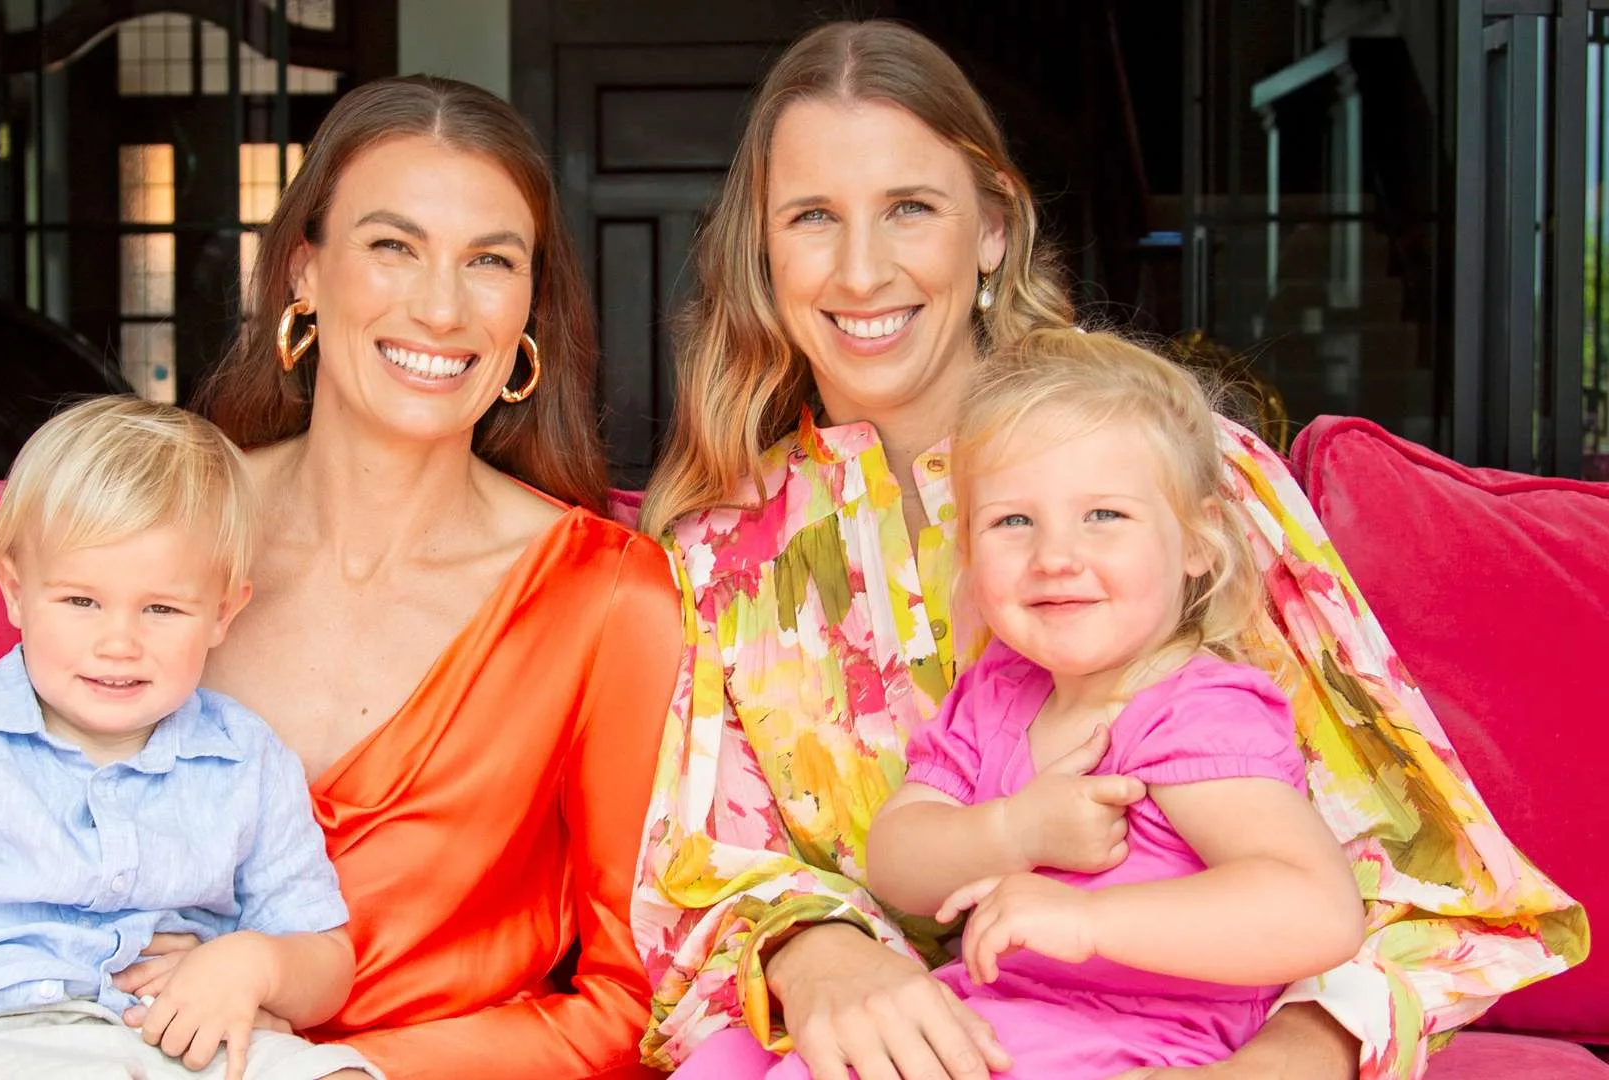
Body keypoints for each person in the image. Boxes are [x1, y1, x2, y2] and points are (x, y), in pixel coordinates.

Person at [633, 19, 1584, 1080]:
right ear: (763, 252)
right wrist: (812, 955)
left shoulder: (1180, 474)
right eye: (813, 216)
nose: (862, 271)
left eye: (911, 208)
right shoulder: (718, 559)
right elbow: (694, 884)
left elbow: (1426, 885)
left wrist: (1291, 1055)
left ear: (993, 228)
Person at [0, 74, 682, 1080]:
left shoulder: (610, 599)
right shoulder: (155, 531)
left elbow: (634, 1003)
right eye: (393, 246)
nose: (440, 306)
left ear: (530, 306)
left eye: (491, 260)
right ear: (305, 271)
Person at [822, 329, 1361, 1079]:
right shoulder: (1000, 690)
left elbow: (1315, 910)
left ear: (1197, 542)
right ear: (969, 553)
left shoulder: (1193, 712)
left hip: (1137, 1040)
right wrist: (1014, 831)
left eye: (1104, 515)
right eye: (1013, 521)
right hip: (996, 1014)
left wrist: (1087, 920)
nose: (1054, 557)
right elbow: (896, 862)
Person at [0, 396, 377, 1080]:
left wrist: (254, 965)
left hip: (181, 1033)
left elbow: (326, 963)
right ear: (15, 591)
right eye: (81, 601)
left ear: (223, 612)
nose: (119, 643)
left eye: (162, 608)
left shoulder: (248, 761)